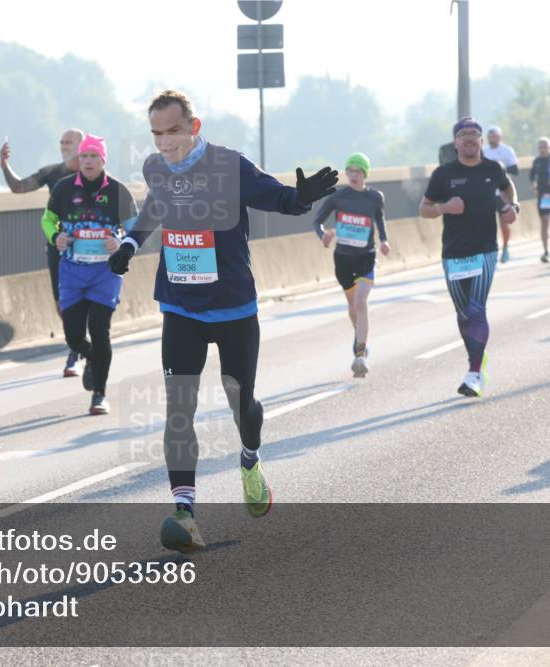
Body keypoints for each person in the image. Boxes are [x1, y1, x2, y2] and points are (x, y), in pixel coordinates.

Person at [108, 90, 338, 552]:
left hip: (233, 308)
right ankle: (185, 514)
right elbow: (155, 207)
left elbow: (278, 198)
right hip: (180, 308)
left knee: (242, 405)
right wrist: (132, 245)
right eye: (156, 134)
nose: (164, 142)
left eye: (172, 131)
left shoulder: (228, 165)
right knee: (179, 411)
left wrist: (303, 198)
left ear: (193, 128)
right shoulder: (156, 168)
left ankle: (250, 459)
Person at [420, 117, 519, 398]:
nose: (470, 139)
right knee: (463, 313)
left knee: (476, 309)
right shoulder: (443, 174)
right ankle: (478, 359)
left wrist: (513, 206)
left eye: (475, 134)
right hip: (453, 253)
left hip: (485, 250)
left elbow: (507, 187)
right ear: (455, 142)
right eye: (464, 135)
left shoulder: (493, 168)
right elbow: (424, 209)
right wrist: (444, 207)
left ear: (481, 140)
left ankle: (474, 372)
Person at [41, 135, 137, 415]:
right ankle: (92, 358)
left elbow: (136, 228)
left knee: (99, 329)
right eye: (84, 157)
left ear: (103, 160)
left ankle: (99, 394)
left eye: (94, 156)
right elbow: (47, 219)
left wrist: (120, 243)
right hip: (71, 273)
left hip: (105, 274)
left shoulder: (118, 191)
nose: (88, 161)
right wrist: (55, 235)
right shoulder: (63, 188)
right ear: (78, 160)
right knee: (73, 337)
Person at [0, 128, 85, 377]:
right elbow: (18, 187)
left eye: (69, 142)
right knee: (62, 304)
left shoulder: (93, 171)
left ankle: (76, 350)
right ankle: (79, 342)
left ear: (82, 144)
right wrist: (4, 165)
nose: (63, 145)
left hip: (88, 245)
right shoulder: (53, 173)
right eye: (61, 142)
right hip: (57, 245)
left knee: (86, 299)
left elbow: (113, 198)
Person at [312, 152, 390, 378]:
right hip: (343, 259)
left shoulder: (375, 197)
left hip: (366, 256)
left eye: (358, 172)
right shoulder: (338, 196)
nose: (354, 176)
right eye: (350, 172)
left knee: (361, 301)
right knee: (353, 305)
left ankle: (360, 354)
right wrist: (323, 235)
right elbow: (317, 221)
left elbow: (380, 220)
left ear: (365, 174)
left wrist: (384, 241)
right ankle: (360, 334)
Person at [483, 126, 520, 263]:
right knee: (487, 225)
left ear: (500, 137)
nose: (492, 138)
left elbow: (515, 170)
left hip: (503, 193)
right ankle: (491, 251)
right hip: (487, 193)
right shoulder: (483, 151)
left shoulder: (507, 150)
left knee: (504, 224)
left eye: (494, 136)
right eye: (490, 136)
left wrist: (498, 170)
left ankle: (505, 248)